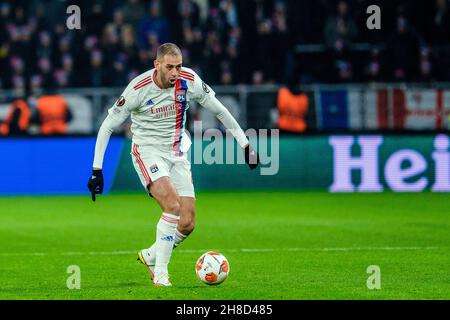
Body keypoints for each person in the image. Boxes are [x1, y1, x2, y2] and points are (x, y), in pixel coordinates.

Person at [87, 43, 259, 286]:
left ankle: (151, 256)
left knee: (187, 222)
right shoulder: (138, 88)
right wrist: (97, 169)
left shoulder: (189, 81)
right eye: (170, 67)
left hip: (177, 151)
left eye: (178, 66)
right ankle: (161, 274)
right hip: (147, 151)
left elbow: (220, 111)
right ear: (157, 65)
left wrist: (245, 145)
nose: (175, 72)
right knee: (172, 205)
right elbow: (108, 125)